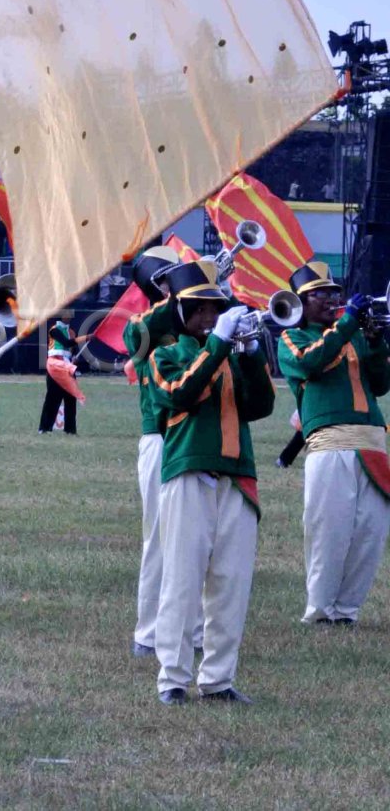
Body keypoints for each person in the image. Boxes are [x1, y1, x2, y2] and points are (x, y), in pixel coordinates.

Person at [149, 260, 276, 705]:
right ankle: (172, 678)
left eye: (215, 309)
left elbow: (261, 406)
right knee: (182, 580)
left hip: (238, 475)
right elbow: (178, 392)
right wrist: (220, 342)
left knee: (232, 582)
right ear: (180, 311)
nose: (208, 317)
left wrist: (253, 353)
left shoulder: (230, 352)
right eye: (199, 309)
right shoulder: (165, 354)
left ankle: (219, 678)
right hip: (188, 471)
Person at [278, 262, 390, 625]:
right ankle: (320, 611)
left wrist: (375, 340)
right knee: (330, 531)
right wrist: (347, 324)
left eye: (335, 292)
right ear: (300, 303)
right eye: (320, 294)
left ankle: (347, 611)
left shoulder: (352, 333)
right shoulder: (293, 338)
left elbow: (381, 383)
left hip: (372, 442)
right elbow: (312, 363)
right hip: (330, 444)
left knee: (369, 533)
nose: (332, 299)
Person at [123, 246, 201, 658]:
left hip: (201, 436)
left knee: (202, 539)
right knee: (159, 535)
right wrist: (180, 294)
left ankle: (197, 631)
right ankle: (149, 632)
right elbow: (139, 337)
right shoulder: (140, 323)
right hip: (159, 435)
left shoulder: (195, 318)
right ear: (160, 280)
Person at [38, 313, 87, 434]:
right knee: (52, 398)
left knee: (70, 398)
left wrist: (74, 358)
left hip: (67, 366)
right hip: (55, 366)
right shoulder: (54, 330)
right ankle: (44, 428)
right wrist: (86, 337)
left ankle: (70, 429)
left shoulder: (71, 332)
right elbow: (66, 343)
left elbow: (72, 349)